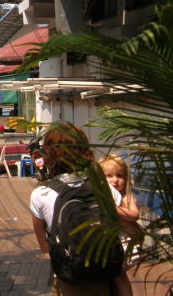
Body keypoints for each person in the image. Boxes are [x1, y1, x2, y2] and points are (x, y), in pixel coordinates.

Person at [29, 123, 122, 295]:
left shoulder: (41, 195)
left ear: (50, 154)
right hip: (105, 275)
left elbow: (44, 247)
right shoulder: (106, 189)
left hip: (71, 278)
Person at [99, 154, 139, 296]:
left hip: (123, 244)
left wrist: (113, 208)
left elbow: (134, 215)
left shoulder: (127, 197)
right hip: (110, 243)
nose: (115, 180)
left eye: (120, 176)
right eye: (109, 176)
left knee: (119, 276)